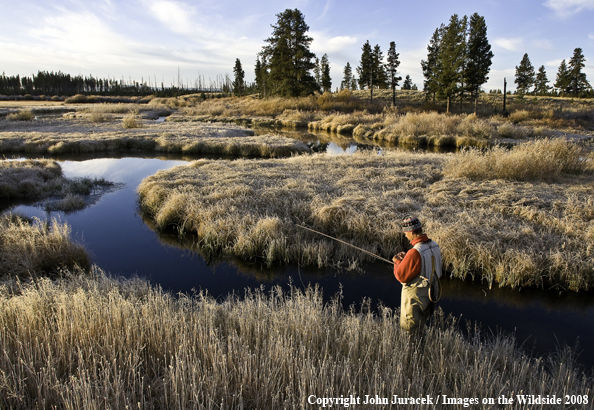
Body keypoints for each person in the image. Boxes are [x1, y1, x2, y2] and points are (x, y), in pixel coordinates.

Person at [393, 215, 442, 332]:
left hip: (416, 297)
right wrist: (407, 260)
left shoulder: (415, 251)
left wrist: (397, 261)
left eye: (405, 232)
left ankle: (411, 349)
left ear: (411, 231)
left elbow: (401, 276)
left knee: (409, 329)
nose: (405, 235)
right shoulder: (435, 245)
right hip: (432, 294)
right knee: (421, 326)